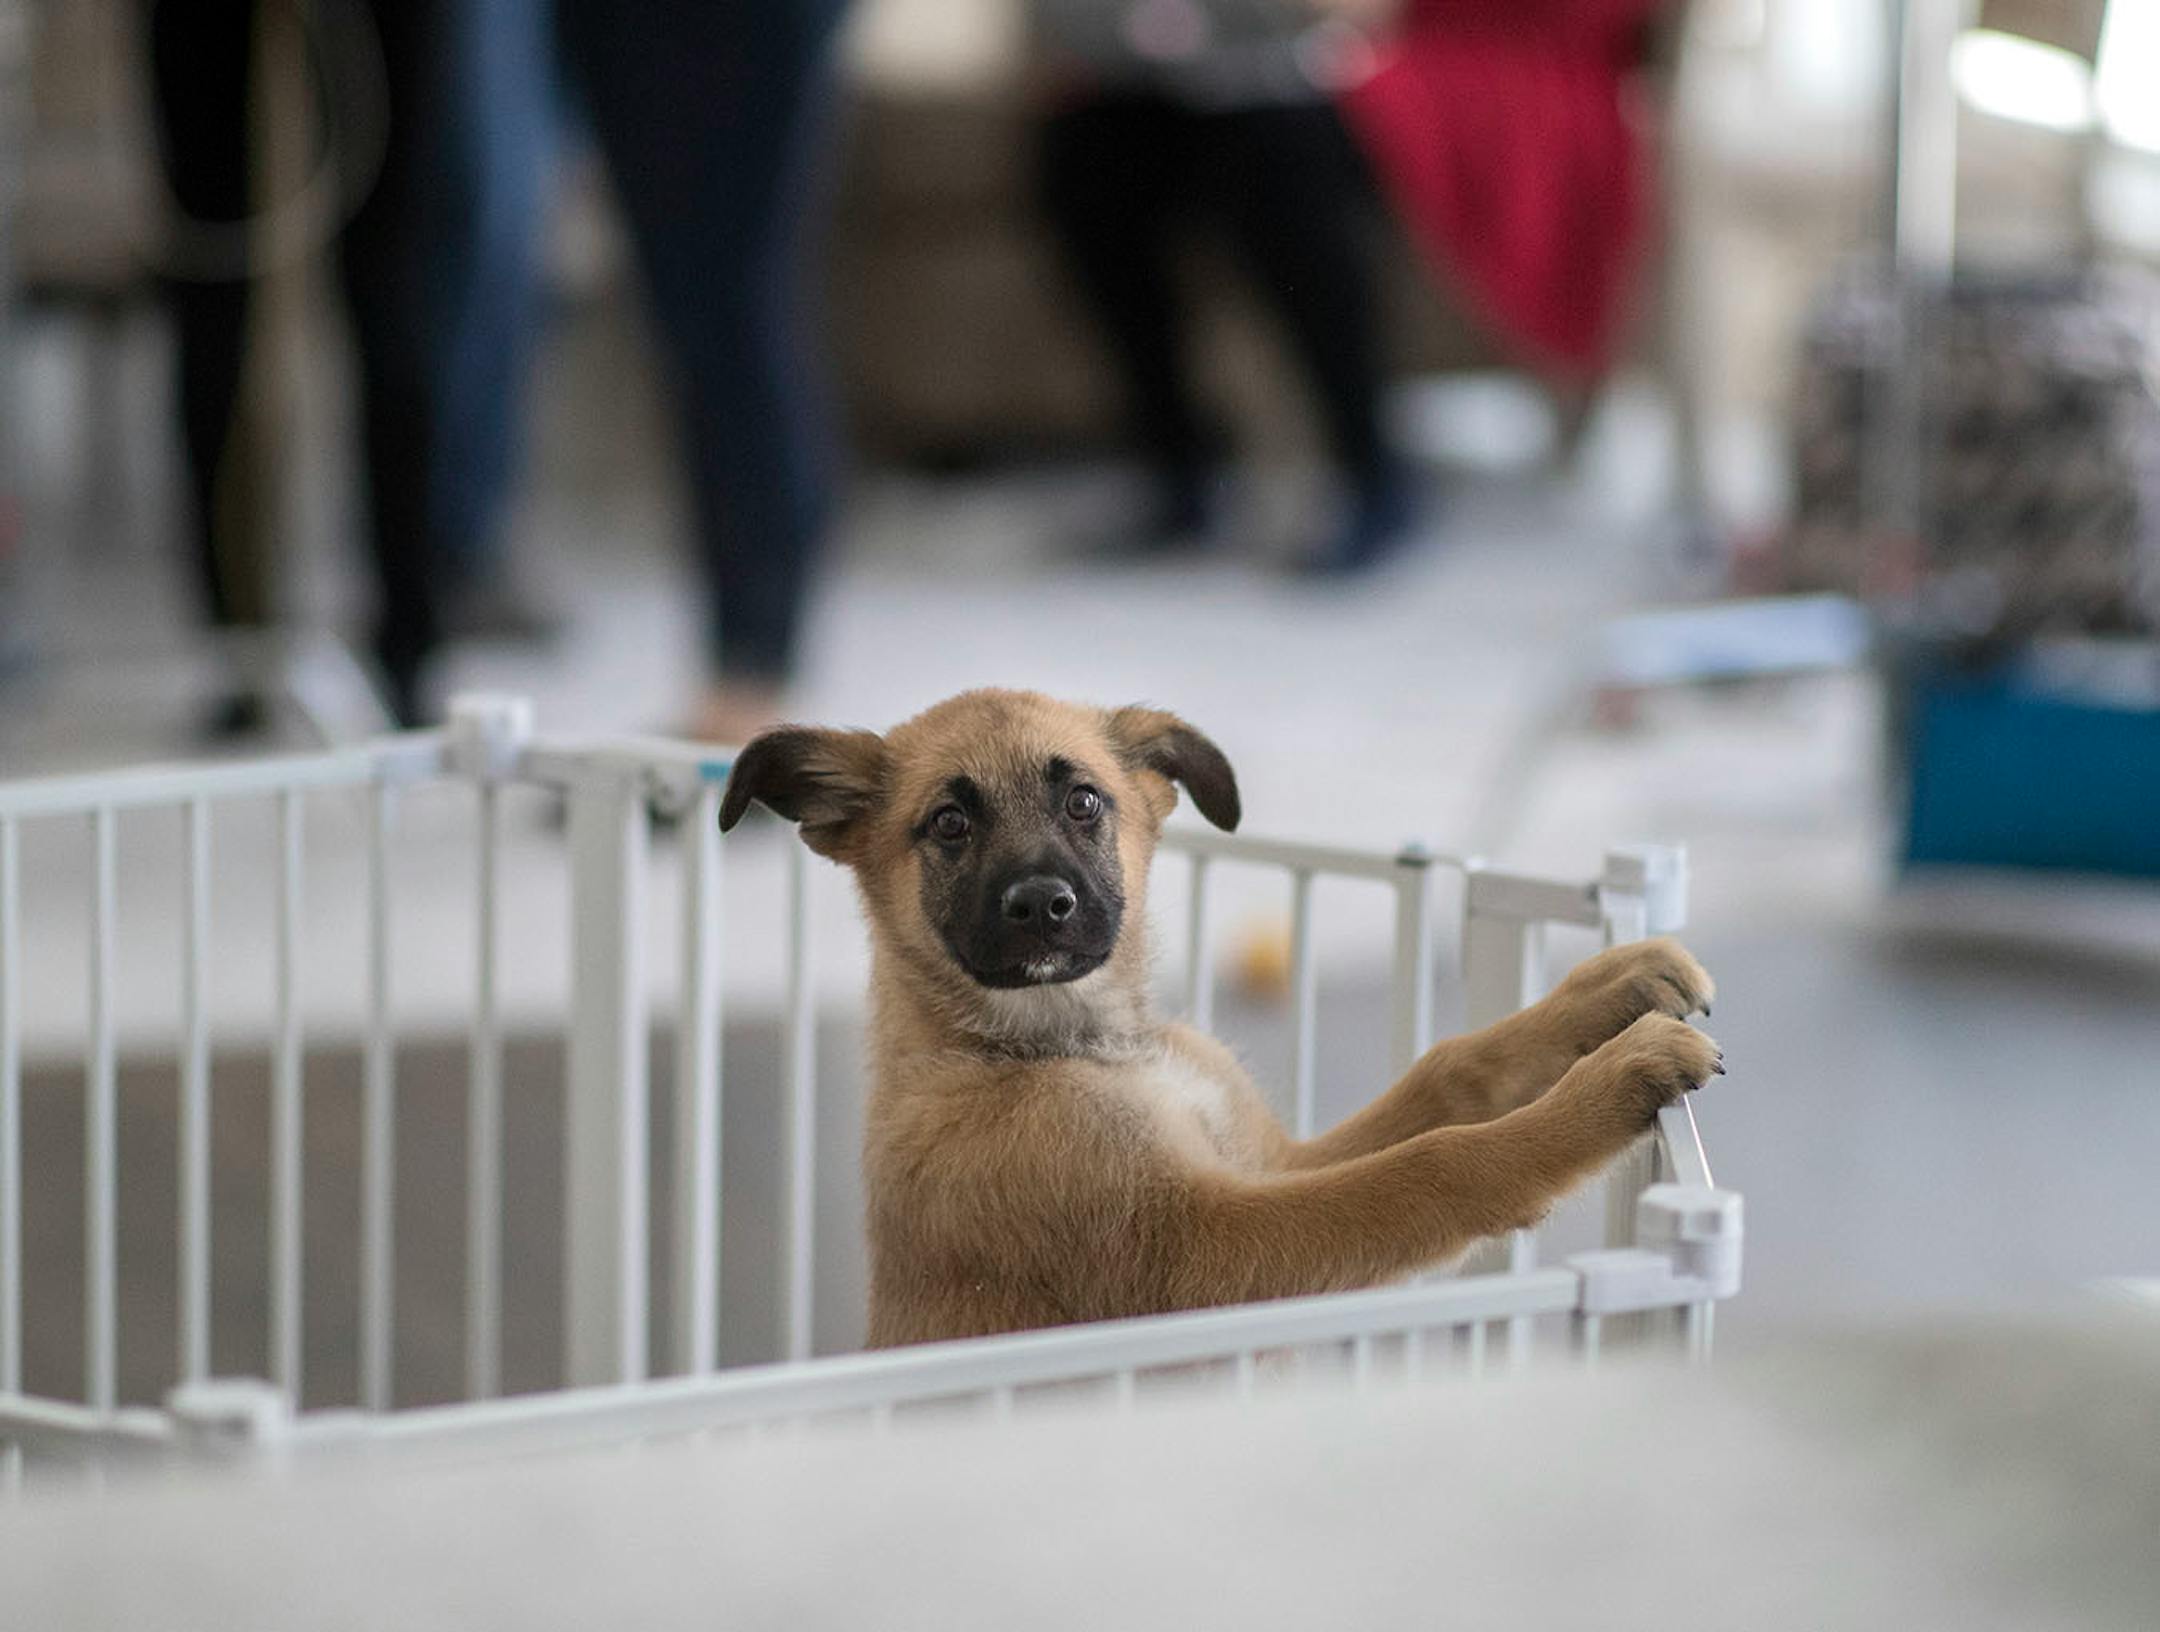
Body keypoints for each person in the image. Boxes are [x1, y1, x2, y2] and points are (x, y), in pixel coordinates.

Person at [1031, 1, 1415, 572]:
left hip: (1285, 78)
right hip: (1139, 83)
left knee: (1279, 169)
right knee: (1084, 158)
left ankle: (1373, 472)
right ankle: (1177, 472)